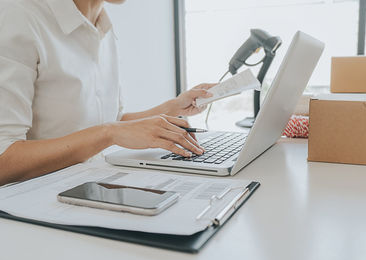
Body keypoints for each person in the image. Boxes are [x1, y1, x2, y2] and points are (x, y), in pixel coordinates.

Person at [0, 0, 214, 186]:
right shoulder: (18, 17)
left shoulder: (102, 24)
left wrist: (171, 108)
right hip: (35, 204)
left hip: (93, 183)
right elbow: (4, 160)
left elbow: (112, 122)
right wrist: (109, 132)